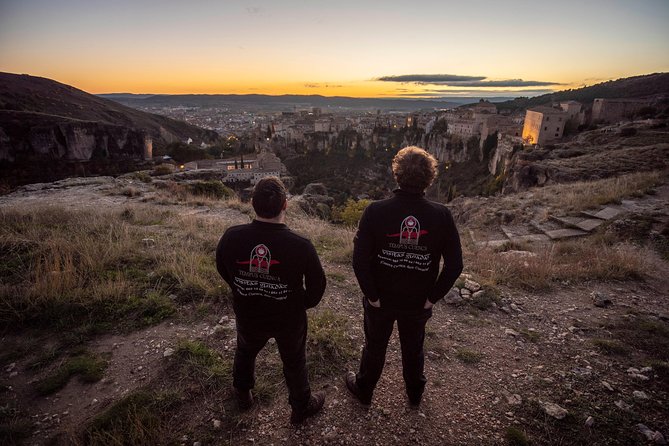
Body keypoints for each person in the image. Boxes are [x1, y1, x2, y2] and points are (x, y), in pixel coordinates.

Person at [346, 146, 463, 408]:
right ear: (429, 178)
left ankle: (364, 390)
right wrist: (431, 298)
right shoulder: (441, 215)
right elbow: (454, 265)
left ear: (397, 174)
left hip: (381, 300)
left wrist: (372, 296)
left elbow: (359, 260)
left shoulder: (375, 211)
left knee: (374, 346)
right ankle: (414, 395)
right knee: (413, 348)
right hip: (417, 301)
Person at [216, 177, 327, 424]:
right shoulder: (301, 246)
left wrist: (243, 288)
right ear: (285, 205)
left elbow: (223, 268)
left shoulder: (232, 236)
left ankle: (242, 393)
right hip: (288, 318)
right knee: (294, 360)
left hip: (248, 311)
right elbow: (317, 287)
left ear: (252, 203)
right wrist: (299, 303)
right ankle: (301, 406)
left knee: (245, 349)